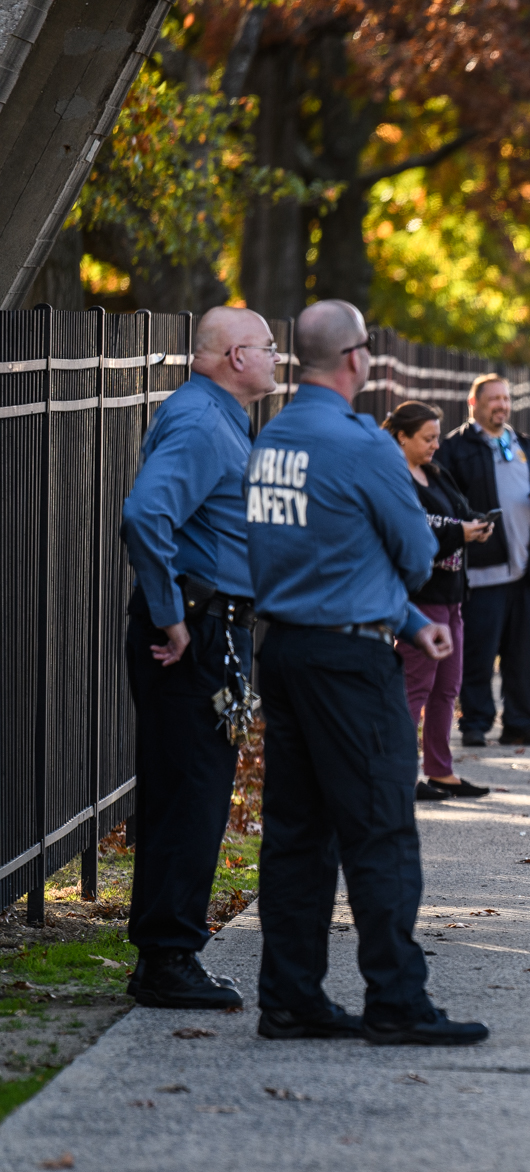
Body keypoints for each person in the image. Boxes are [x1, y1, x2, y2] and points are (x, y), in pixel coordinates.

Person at [246, 299, 488, 1046]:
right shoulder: (362, 445)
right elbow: (418, 556)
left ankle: (290, 997)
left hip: (284, 649)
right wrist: (404, 605)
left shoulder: (275, 437)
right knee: (382, 826)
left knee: (295, 833)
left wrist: (408, 622)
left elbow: (319, 552)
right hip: (350, 663)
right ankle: (395, 999)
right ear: (356, 358)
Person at [118, 306, 279, 1009]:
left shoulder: (216, 415)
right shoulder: (204, 421)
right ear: (237, 355)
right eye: (270, 347)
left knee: (186, 793)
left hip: (211, 626)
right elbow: (145, 513)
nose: (278, 359)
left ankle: (165, 952)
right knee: (190, 798)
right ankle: (168, 960)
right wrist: (169, 613)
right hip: (195, 631)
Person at [440, 373, 530, 748]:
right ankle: (475, 723)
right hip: (482, 572)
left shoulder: (524, 444)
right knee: (478, 652)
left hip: (525, 572)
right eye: (494, 399)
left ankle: (519, 721)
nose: (502, 405)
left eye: (506, 398)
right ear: (473, 404)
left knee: (521, 653)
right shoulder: (455, 449)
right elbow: (442, 505)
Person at [383, 400, 494, 802]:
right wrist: (456, 532)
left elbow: (458, 513)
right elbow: (412, 530)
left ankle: (440, 770)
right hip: (420, 598)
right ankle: (403, 773)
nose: (435, 445)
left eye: (435, 437)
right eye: (427, 438)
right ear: (402, 437)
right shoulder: (394, 477)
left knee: (448, 687)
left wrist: (475, 526)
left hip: (451, 594)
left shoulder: (434, 472)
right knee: (416, 687)